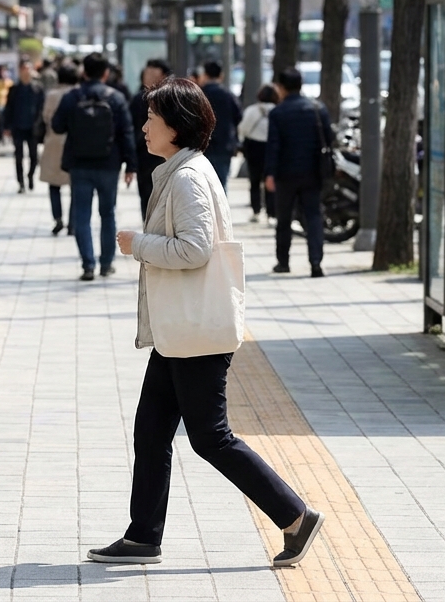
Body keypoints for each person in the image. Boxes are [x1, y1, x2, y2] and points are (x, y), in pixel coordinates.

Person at [89, 76, 324, 568]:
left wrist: (139, 245)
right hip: (180, 332)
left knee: (210, 437)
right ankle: (142, 536)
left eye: (152, 118)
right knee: (151, 431)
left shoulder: (189, 177)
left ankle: (296, 516)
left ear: (176, 126)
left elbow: (195, 250)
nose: (144, 126)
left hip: (195, 334)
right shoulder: (180, 170)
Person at [52, 53, 138, 281]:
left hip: (79, 164)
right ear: (106, 73)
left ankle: (88, 264)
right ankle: (107, 263)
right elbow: (126, 133)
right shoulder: (116, 98)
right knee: (108, 213)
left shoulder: (72, 97)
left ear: (84, 72)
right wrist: (131, 165)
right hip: (109, 164)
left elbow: (57, 126)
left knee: (82, 215)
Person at [266, 67, 335, 279]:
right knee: (313, 216)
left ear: (281, 87)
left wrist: (269, 174)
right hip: (313, 172)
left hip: (286, 174)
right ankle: (316, 262)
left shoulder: (278, 113)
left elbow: (274, 146)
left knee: (284, 218)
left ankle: (283, 262)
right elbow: (329, 138)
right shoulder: (317, 108)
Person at [129, 59, 172, 219]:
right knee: (147, 196)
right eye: (146, 73)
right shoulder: (138, 99)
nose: (148, 77)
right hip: (144, 154)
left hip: (165, 154)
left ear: (164, 76)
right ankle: (149, 230)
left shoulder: (170, 98)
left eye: (153, 74)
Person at [40, 65, 79, 236]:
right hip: (73, 142)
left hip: (53, 142)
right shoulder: (77, 94)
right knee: (75, 185)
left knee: (53, 184)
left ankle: (58, 219)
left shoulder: (52, 95)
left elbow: (46, 116)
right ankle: (72, 222)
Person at [237, 84, 278, 223]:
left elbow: (243, 128)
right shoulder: (277, 110)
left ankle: (256, 211)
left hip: (254, 147)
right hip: (271, 148)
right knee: (270, 179)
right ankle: (271, 213)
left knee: (254, 181)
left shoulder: (251, 110)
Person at [199, 62, 242, 189]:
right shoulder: (228, 95)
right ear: (221, 76)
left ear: (205, 75)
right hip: (224, 145)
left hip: (202, 145)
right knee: (221, 184)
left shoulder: (199, 94)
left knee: (202, 185)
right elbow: (238, 117)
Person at [3, 61, 44, 193]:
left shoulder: (38, 89)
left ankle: (30, 176)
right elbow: (8, 108)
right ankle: (21, 182)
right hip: (18, 127)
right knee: (19, 156)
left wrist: (40, 125)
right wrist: (7, 126)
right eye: (23, 69)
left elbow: (42, 108)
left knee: (33, 156)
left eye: (28, 69)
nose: (26, 72)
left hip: (33, 128)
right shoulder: (14, 89)